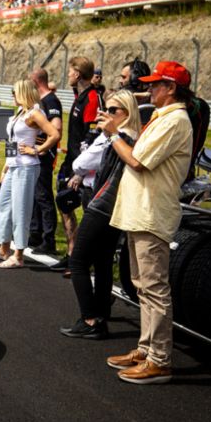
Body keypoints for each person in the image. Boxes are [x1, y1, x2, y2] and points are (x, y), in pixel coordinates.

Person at [103, 61, 194, 385]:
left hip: (151, 212)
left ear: (171, 88)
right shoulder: (163, 117)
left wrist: (115, 136)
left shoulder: (175, 120)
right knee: (143, 287)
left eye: (156, 84)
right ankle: (147, 349)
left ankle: (159, 359)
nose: (150, 89)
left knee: (153, 289)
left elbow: (138, 161)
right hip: (141, 211)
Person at [61, 90, 141, 339]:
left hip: (103, 206)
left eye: (113, 111)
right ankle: (101, 312)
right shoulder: (123, 137)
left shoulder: (122, 138)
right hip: (113, 207)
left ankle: (90, 318)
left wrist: (112, 135)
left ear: (127, 114)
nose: (105, 115)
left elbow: (83, 164)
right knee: (104, 260)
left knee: (78, 261)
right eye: (104, 110)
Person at [0, 79, 60, 269]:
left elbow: (55, 134)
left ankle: (18, 255)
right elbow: (12, 140)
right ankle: (3, 249)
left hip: (27, 167)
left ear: (23, 92)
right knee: (3, 206)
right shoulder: (20, 112)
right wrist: (5, 167)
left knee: (20, 210)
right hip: (14, 166)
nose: (12, 95)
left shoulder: (35, 113)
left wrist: (37, 149)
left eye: (14, 92)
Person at [54, 56, 103, 270]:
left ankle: (85, 259)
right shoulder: (79, 95)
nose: (67, 74)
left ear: (77, 74)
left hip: (85, 167)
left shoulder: (92, 98)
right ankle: (72, 253)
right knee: (64, 203)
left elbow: (91, 138)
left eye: (70, 70)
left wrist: (81, 172)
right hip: (70, 161)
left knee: (87, 210)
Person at [27, 68, 63, 254]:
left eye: (30, 78)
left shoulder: (51, 100)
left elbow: (56, 128)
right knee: (35, 194)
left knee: (43, 196)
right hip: (35, 155)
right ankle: (35, 232)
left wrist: (42, 148)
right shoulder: (39, 101)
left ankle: (49, 239)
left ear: (36, 80)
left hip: (43, 156)